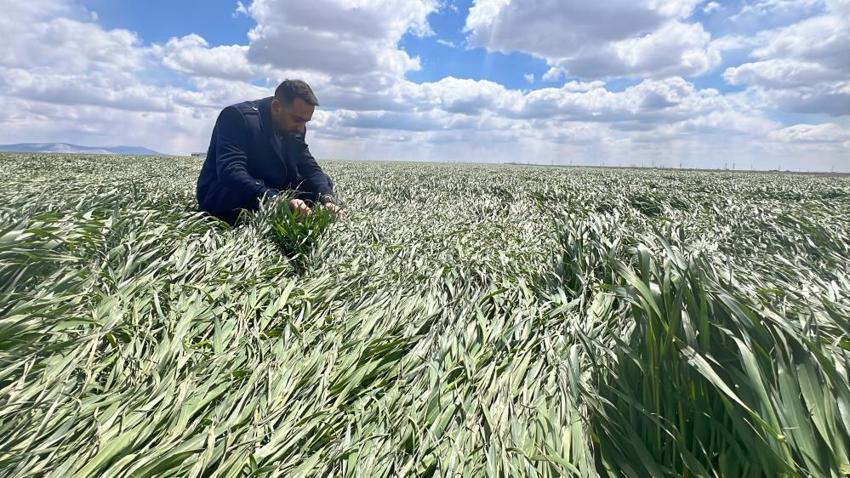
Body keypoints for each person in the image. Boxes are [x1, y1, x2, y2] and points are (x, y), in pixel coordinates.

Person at [196, 79, 340, 224]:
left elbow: (307, 164)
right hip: (230, 190)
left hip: (268, 185)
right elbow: (231, 171)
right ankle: (282, 208)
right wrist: (277, 199)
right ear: (276, 107)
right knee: (241, 195)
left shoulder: (294, 127)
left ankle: (290, 207)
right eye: (297, 120)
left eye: (305, 122)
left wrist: (327, 198)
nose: (301, 128)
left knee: (322, 182)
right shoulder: (237, 116)